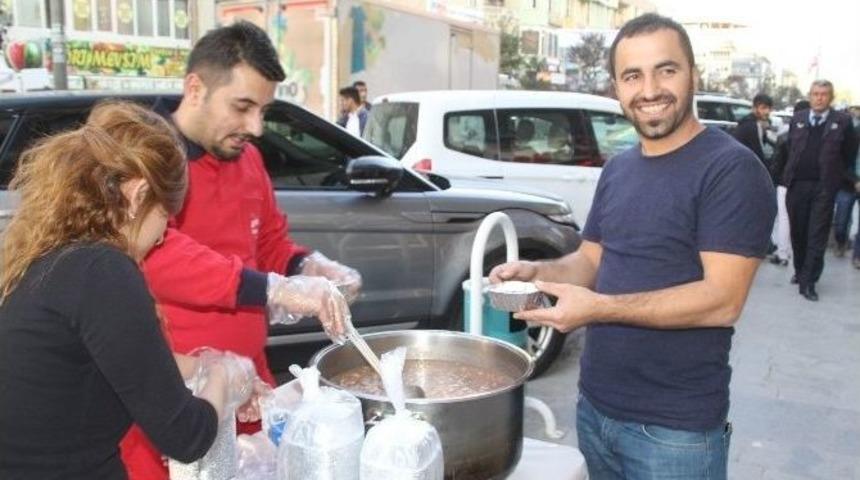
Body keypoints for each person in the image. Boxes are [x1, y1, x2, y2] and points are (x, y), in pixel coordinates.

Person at [490, 13, 775, 479]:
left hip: (674, 433)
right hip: (596, 409)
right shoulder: (619, 169)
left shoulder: (731, 170)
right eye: (632, 75)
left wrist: (597, 308)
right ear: (617, 88)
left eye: (666, 70)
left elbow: (722, 301)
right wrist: (536, 273)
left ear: (693, 75)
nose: (649, 89)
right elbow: (591, 260)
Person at [120, 21, 361, 480]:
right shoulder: (150, 162)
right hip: (178, 397)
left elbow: (267, 240)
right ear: (195, 88)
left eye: (263, 110)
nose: (255, 126)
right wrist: (275, 290)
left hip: (249, 389)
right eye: (243, 106)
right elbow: (157, 257)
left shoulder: (247, 159)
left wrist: (312, 267)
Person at [0, 101, 256, 479]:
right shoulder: (102, 270)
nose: (162, 236)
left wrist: (207, 363)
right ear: (137, 196)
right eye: (165, 218)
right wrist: (223, 378)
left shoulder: (51, 256)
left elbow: (127, 363)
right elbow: (186, 436)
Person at [781, 80, 858, 301]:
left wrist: (840, 177)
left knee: (817, 234)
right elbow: (790, 150)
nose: (819, 98)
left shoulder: (842, 122)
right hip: (797, 185)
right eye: (815, 94)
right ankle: (800, 270)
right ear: (810, 96)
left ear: (830, 97)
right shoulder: (798, 119)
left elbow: (849, 154)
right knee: (799, 232)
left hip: (824, 187)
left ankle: (809, 281)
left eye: (824, 94)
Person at [832, 106, 860, 262]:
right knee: (841, 223)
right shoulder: (852, 136)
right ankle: (841, 242)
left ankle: (858, 256)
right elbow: (840, 162)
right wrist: (855, 180)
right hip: (847, 185)